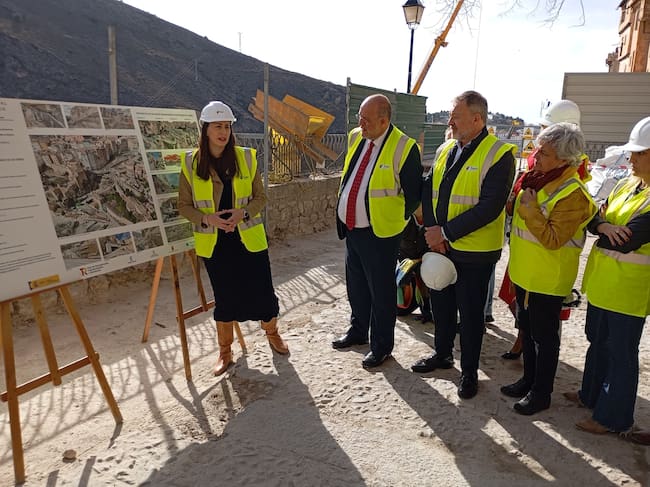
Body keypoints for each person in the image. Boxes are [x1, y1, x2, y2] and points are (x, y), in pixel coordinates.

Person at [411, 90, 517, 400]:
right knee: (441, 306)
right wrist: (433, 232)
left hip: (475, 253)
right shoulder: (446, 148)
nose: (450, 122)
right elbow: (430, 190)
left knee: (470, 316)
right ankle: (442, 354)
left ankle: (469, 372)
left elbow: (490, 207)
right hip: (440, 245)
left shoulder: (499, 154)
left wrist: (443, 233)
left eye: (455, 117)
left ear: (477, 119)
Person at [178, 101, 288, 376]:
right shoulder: (191, 163)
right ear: (205, 129)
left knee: (263, 291)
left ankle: (272, 333)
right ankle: (225, 351)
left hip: (248, 238)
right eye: (218, 126)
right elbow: (184, 206)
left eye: (227, 126)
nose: (223, 132)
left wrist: (243, 213)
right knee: (225, 297)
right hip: (215, 244)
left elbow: (261, 197)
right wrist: (208, 219)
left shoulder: (246, 158)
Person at [501, 123, 597, 415]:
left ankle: (541, 393)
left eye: (544, 152)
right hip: (525, 273)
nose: (536, 155)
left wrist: (529, 210)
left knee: (544, 338)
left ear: (564, 159)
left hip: (547, 279)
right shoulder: (537, 179)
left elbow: (554, 239)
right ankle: (528, 380)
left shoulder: (573, 193)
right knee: (527, 331)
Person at [567, 116, 650, 437]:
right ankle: (590, 395)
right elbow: (592, 216)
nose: (632, 158)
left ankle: (613, 418)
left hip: (629, 291)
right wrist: (603, 225)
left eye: (640, 153)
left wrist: (601, 228)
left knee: (621, 354)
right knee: (597, 342)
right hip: (604, 283)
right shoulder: (628, 184)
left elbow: (626, 240)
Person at [331, 94, 422, 369]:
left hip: (381, 234)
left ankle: (381, 346)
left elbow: (413, 196)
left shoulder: (405, 147)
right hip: (352, 228)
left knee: (381, 292)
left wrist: (394, 220)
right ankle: (358, 331)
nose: (361, 124)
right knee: (356, 285)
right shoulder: (357, 136)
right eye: (359, 117)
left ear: (384, 121)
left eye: (367, 120)